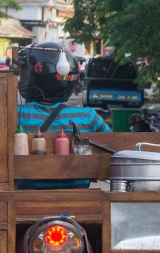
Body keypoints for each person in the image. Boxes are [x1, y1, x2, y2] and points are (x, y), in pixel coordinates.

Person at [17, 42, 110, 189]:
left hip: (28, 196)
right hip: (79, 196)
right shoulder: (90, 117)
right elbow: (112, 147)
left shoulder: (17, 115)